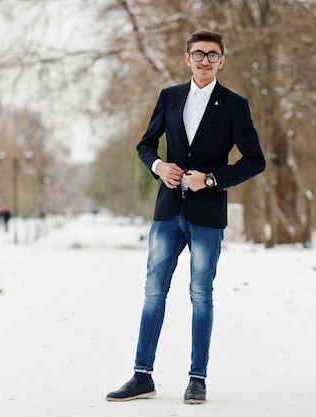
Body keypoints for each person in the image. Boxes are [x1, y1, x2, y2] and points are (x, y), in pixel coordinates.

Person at [106, 31, 265, 405]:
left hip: (207, 213)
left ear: (222, 61)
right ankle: (142, 375)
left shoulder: (235, 105)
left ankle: (197, 379)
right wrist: (159, 166)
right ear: (187, 57)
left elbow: (254, 160)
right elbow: (145, 145)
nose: (205, 60)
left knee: (200, 295)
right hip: (166, 211)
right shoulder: (170, 96)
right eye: (199, 53)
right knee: (153, 293)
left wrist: (210, 179)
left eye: (213, 55)